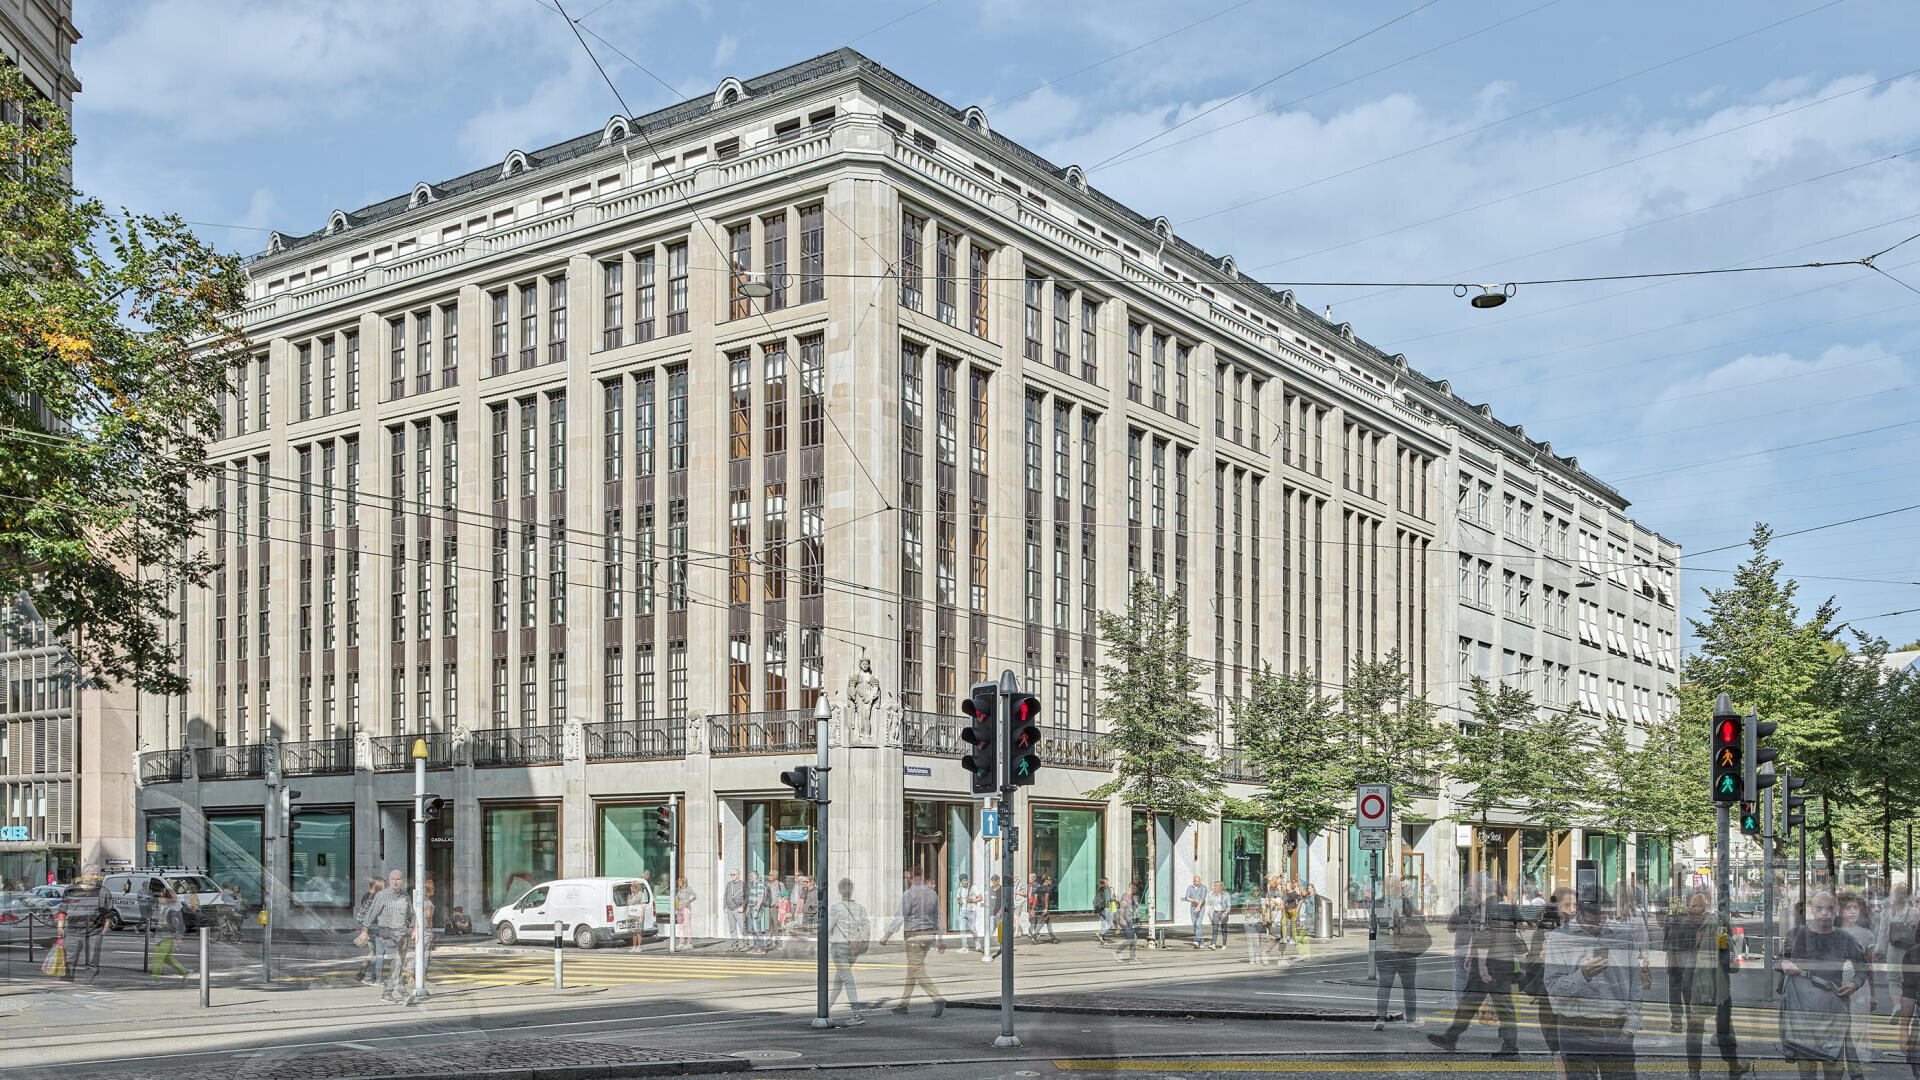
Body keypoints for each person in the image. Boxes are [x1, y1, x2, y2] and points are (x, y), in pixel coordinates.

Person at [1545, 888, 1646, 1080]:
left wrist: (1629, 1029)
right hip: (1575, 1030)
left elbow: (1635, 987)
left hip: (1616, 1029)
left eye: (1604, 917)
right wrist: (1582, 975)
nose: (1598, 924)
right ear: (1579, 912)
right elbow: (1554, 990)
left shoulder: (1623, 937)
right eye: (1592, 920)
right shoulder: (1559, 938)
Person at [1782, 890, 1870, 1080]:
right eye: (1820, 908)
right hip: (1803, 1016)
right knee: (1807, 1074)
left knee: (1834, 1072)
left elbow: (1863, 968)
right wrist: (1783, 964)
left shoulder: (1845, 939)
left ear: (1836, 910)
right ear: (1812, 910)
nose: (1824, 913)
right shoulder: (1797, 934)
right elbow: (1778, 960)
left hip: (1832, 1013)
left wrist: (1855, 984)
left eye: (1829, 908)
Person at [1428, 881, 1522, 1057]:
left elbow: (1484, 936)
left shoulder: (1488, 907)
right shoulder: (1510, 908)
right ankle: (1452, 1037)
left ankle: (1509, 1045)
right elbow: (1521, 928)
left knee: (1478, 1002)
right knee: (1491, 1003)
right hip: (1503, 962)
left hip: (1489, 965)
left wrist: (1481, 965)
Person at [1673, 890, 1750, 1080]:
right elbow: (1724, 951)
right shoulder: (1717, 925)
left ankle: (1694, 1074)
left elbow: (1675, 954)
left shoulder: (1682, 925)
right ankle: (1733, 1066)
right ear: (1707, 907)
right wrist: (1731, 966)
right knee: (1724, 1027)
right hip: (1716, 982)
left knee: (1694, 1028)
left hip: (1690, 983)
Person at [879, 868, 946, 1016]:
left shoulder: (909, 894)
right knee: (913, 969)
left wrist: (886, 936)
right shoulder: (932, 893)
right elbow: (939, 917)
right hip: (929, 935)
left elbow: (900, 916)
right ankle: (903, 1004)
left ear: (910, 878)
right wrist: (940, 938)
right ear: (922, 876)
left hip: (914, 936)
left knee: (917, 970)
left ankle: (938, 998)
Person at [1374, 876, 1430, 1031]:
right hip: (1404, 950)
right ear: (1399, 887)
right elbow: (1420, 919)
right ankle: (1411, 1020)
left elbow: (1372, 926)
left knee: (1384, 985)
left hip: (1383, 950)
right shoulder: (1406, 902)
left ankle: (1380, 1018)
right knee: (1409, 986)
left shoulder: (1378, 902)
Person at [1837, 891, 1879, 1080]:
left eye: (1856, 908)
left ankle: (1857, 1070)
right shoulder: (1834, 931)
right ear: (1840, 910)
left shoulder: (1867, 934)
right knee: (1841, 1028)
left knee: (1859, 1027)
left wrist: (1874, 993)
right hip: (1838, 985)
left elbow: (1869, 967)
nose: (1852, 912)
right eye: (1848, 908)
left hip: (1859, 987)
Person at [356, 869, 410, 988]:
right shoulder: (376, 898)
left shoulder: (371, 896)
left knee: (376, 953)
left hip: (376, 929)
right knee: (378, 954)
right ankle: (372, 976)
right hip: (375, 929)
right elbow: (371, 915)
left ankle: (366, 975)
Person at [826, 878, 869, 1026]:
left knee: (848, 980)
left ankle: (857, 1014)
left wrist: (830, 940)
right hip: (853, 949)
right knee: (839, 981)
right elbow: (866, 927)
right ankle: (825, 1009)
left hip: (839, 948)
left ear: (839, 891)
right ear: (852, 890)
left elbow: (828, 928)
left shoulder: (836, 908)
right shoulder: (860, 908)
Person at [151, 888, 190, 979]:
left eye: (161, 896)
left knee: (157, 958)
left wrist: (178, 939)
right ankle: (184, 972)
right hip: (163, 938)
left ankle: (155, 980)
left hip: (166, 938)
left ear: (168, 898)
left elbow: (175, 925)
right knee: (168, 959)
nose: (159, 898)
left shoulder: (171, 910)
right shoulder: (165, 908)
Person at [353, 877, 385, 978]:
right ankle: (366, 973)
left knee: (375, 951)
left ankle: (367, 972)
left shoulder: (367, 896)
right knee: (376, 951)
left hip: (370, 928)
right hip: (372, 928)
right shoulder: (372, 898)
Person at [1113, 885, 1142, 963]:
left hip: (1129, 921)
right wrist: (1122, 919)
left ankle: (1132, 957)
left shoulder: (1133, 897)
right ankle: (1119, 952)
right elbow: (1122, 908)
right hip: (1124, 920)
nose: (1136, 890)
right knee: (1132, 938)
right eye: (1135, 888)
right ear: (1131, 888)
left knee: (1133, 938)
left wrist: (1137, 912)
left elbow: (1135, 909)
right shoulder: (1125, 896)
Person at [745, 871, 769, 954]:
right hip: (751, 908)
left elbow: (760, 898)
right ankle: (755, 947)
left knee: (757, 929)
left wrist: (756, 910)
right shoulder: (753, 885)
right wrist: (748, 908)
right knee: (753, 930)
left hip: (756, 908)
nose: (750, 876)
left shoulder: (760, 885)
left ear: (757, 876)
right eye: (750, 875)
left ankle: (761, 948)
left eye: (752, 875)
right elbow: (750, 898)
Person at [723, 870, 746, 952]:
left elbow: (746, 896)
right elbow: (725, 895)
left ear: (738, 875)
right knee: (732, 928)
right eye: (731, 874)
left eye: (734, 874)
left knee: (742, 927)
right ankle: (735, 945)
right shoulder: (729, 884)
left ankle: (745, 945)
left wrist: (743, 907)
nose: (732, 876)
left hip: (738, 909)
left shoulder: (742, 884)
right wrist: (725, 906)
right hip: (730, 909)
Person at [1206, 880, 1232, 950]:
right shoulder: (1214, 894)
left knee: (1223, 929)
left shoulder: (1226, 894)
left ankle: (1224, 944)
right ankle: (1213, 944)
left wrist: (1225, 913)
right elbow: (1209, 899)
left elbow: (1229, 906)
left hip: (1223, 913)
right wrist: (1211, 891)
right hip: (1216, 913)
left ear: (1219, 887)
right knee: (1215, 929)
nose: (1214, 887)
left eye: (1215, 886)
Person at [987, 875, 1008, 960]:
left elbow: (1004, 902)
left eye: (995, 880)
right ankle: (986, 949)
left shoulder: (1002, 890)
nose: (994, 882)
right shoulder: (990, 889)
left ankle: (1002, 948)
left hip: (999, 915)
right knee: (990, 931)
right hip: (991, 914)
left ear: (998, 880)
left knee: (1001, 933)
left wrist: (1000, 911)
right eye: (992, 880)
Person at [1185, 875, 1208, 949]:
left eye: (1199, 881)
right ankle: (1201, 941)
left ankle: (1196, 940)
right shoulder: (1190, 887)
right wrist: (1194, 900)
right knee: (1195, 925)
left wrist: (1198, 906)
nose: (1199, 882)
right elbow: (1187, 897)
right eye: (1197, 881)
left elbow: (1202, 898)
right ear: (1194, 881)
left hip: (1201, 908)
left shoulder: (1203, 888)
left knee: (1198, 924)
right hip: (1192, 908)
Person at [672, 876, 695, 947]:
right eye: (678, 881)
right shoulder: (679, 889)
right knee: (680, 926)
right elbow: (677, 899)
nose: (678, 882)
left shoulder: (688, 889)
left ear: (683, 882)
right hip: (679, 910)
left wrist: (688, 902)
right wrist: (676, 907)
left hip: (686, 909)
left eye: (679, 881)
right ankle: (681, 942)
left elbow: (695, 896)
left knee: (687, 926)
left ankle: (689, 943)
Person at [1037, 875, 1060, 944]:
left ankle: (1053, 937)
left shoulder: (1039, 888)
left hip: (1041, 907)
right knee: (1041, 923)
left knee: (1049, 923)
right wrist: (1046, 908)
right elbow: (1046, 898)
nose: (1051, 881)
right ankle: (1034, 936)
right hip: (1045, 908)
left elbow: (1036, 898)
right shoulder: (1047, 888)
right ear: (1046, 880)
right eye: (1049, 880)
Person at [1094, 877, 1116, 945]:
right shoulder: (1108, 889)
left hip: (1100, 908)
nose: (1108, 882)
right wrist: (1114, 899)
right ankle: (1101, 934)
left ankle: (1102, 940)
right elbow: (1108, 899)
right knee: (1110, 924)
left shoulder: (1099, 889)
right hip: (1107, 907)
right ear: (1105, 883)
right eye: (1107, 881)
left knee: (1103, 923)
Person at [1298, 885, 1319, 956]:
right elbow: (1302, 899)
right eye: (1308, 888)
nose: (1308, 889)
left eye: (1310, 888)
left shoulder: (1316, 896)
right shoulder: (1306, 896)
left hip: (1313, 913)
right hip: (1307, 913)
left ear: (1313, 888)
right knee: (1306, 929)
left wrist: (1320, 914)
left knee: (1310, 929)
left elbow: (1319, 905)